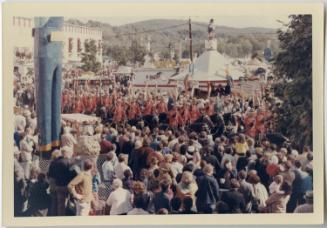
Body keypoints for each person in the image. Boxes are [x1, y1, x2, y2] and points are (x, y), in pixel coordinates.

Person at [48, 149, 73, 216]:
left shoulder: (52, 163)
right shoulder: (67, 161)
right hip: (65, 185)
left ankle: (54, 218)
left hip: (56, 186)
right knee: (62, 205)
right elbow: (71, 174)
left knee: (55, 203)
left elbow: (50, 175)